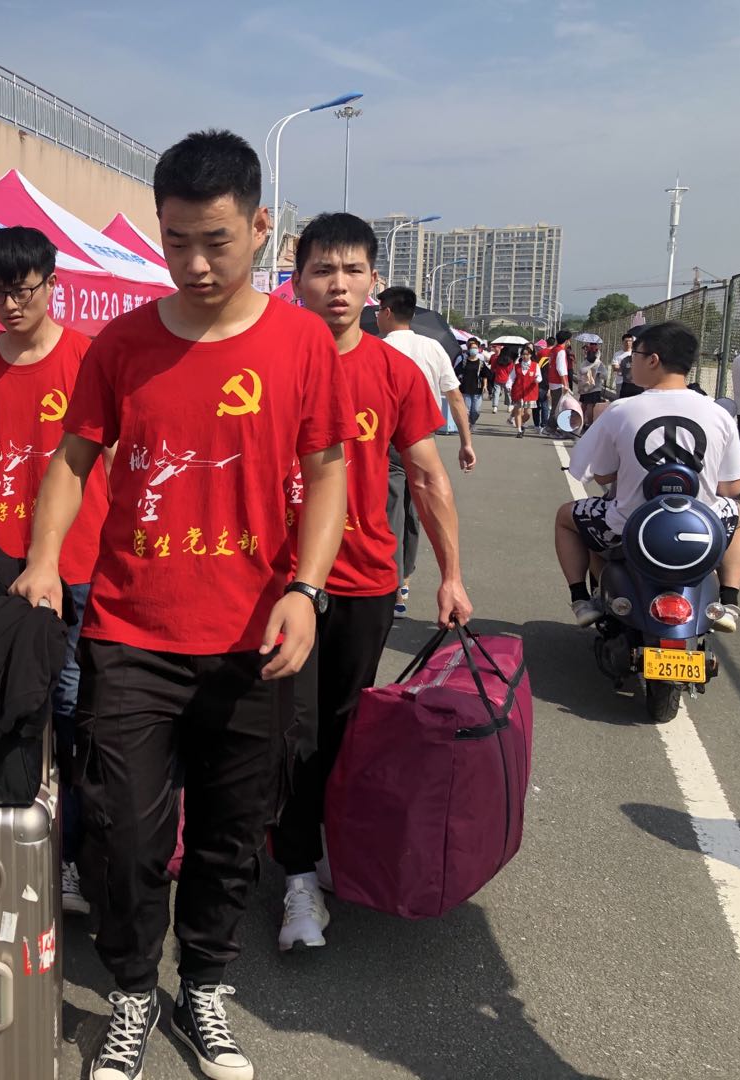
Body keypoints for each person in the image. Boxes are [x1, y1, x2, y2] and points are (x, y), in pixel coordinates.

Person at [10, 129, 354, 1080]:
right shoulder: (123, 344)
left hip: (255, 639)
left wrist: (308, 589)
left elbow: (329, 470)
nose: (196, 264)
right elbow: (73, 458)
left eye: (217, 241)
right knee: (122, 834)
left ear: (261, 227)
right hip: (131, 633)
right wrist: (43, 561)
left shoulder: (300, 343)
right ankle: (132, 991)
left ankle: (203, 985)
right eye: (176, 241)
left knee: (232, 835)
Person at [276, 212, 472, 951]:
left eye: (352, 270)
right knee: (292, 727)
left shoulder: (394, 371)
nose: (338, 284)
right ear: (297, 280)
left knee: (343, 721)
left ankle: (324, 838)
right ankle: (297, 875)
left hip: (365, 579)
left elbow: (427, 476)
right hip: (279, 582)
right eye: (323, 270)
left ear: (373, 283)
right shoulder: (269, 360)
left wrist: (451, 576)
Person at [0, 225, 112, 918]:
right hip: (10, 569)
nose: (11, 304)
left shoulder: (87, 358)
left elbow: (114, 461)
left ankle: (72, 854)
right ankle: (15, 848)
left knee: (75, 706)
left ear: (52, 283)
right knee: (15, 711)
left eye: (23, 290)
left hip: (82, 564)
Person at [558, 321, 740, 631]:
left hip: (627, 528)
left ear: (653, 360)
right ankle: (729, 601)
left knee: (567, 518)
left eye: (636, 355)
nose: (630, 363)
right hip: (701, 531)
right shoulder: (718, 414)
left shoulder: (621, 410)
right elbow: (732, 486)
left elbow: (601, 476)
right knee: (738, 516)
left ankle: (582, 600)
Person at [376, 286, 474, 620]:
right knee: (417, 510)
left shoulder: (379, 348)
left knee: (391, 510)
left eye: (378, 311)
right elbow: (455, 397)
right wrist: (466, 442)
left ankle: (393, 587)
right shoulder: (433, 347)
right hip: (424, 438)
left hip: (388, 439)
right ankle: (405, 578)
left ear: (387, 312)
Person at [543, 329, 574, 431]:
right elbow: (561, 369)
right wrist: (565, 385)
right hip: (558, 383)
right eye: (569, 340)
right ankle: (550, 428)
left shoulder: (553, 350)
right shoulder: (560, 351)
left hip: (552, 381)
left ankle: (553, 427)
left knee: (556, 406)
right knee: (557, 407)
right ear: (567, 340)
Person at [457, 337, 492, 427]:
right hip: (466, 389)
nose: (474, 349)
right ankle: (468, 424)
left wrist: (485, 386)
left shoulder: (481, 363)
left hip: (477, 389)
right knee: (467, 410)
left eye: (476, 348)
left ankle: (472, 422)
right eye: (472, 348)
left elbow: (485, 375)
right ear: (469, 349)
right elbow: (456, 373)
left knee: (476, 410)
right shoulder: (464, 362)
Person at [508, 347, 542, 438]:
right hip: (518, 391)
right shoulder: (517, 366)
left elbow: (539, 376)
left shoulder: (535, 365)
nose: (525, 356)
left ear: (530, 355)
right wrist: (509, 385)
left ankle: (521, 423)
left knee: (528, 413)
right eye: (523, 354)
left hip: (530, 392)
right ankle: (519, 430)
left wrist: (537, 380)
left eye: (527, 354)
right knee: (518, 411)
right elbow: (511, 377)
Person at [491, 344, 515, 413]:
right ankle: (509, 406)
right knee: (508, 393)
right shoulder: (510, 361)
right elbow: (511, 371)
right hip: (507, 379)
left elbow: (493, 368)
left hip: (498, 378)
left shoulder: (497, 359)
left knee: (496, 392)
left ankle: (495, 407)